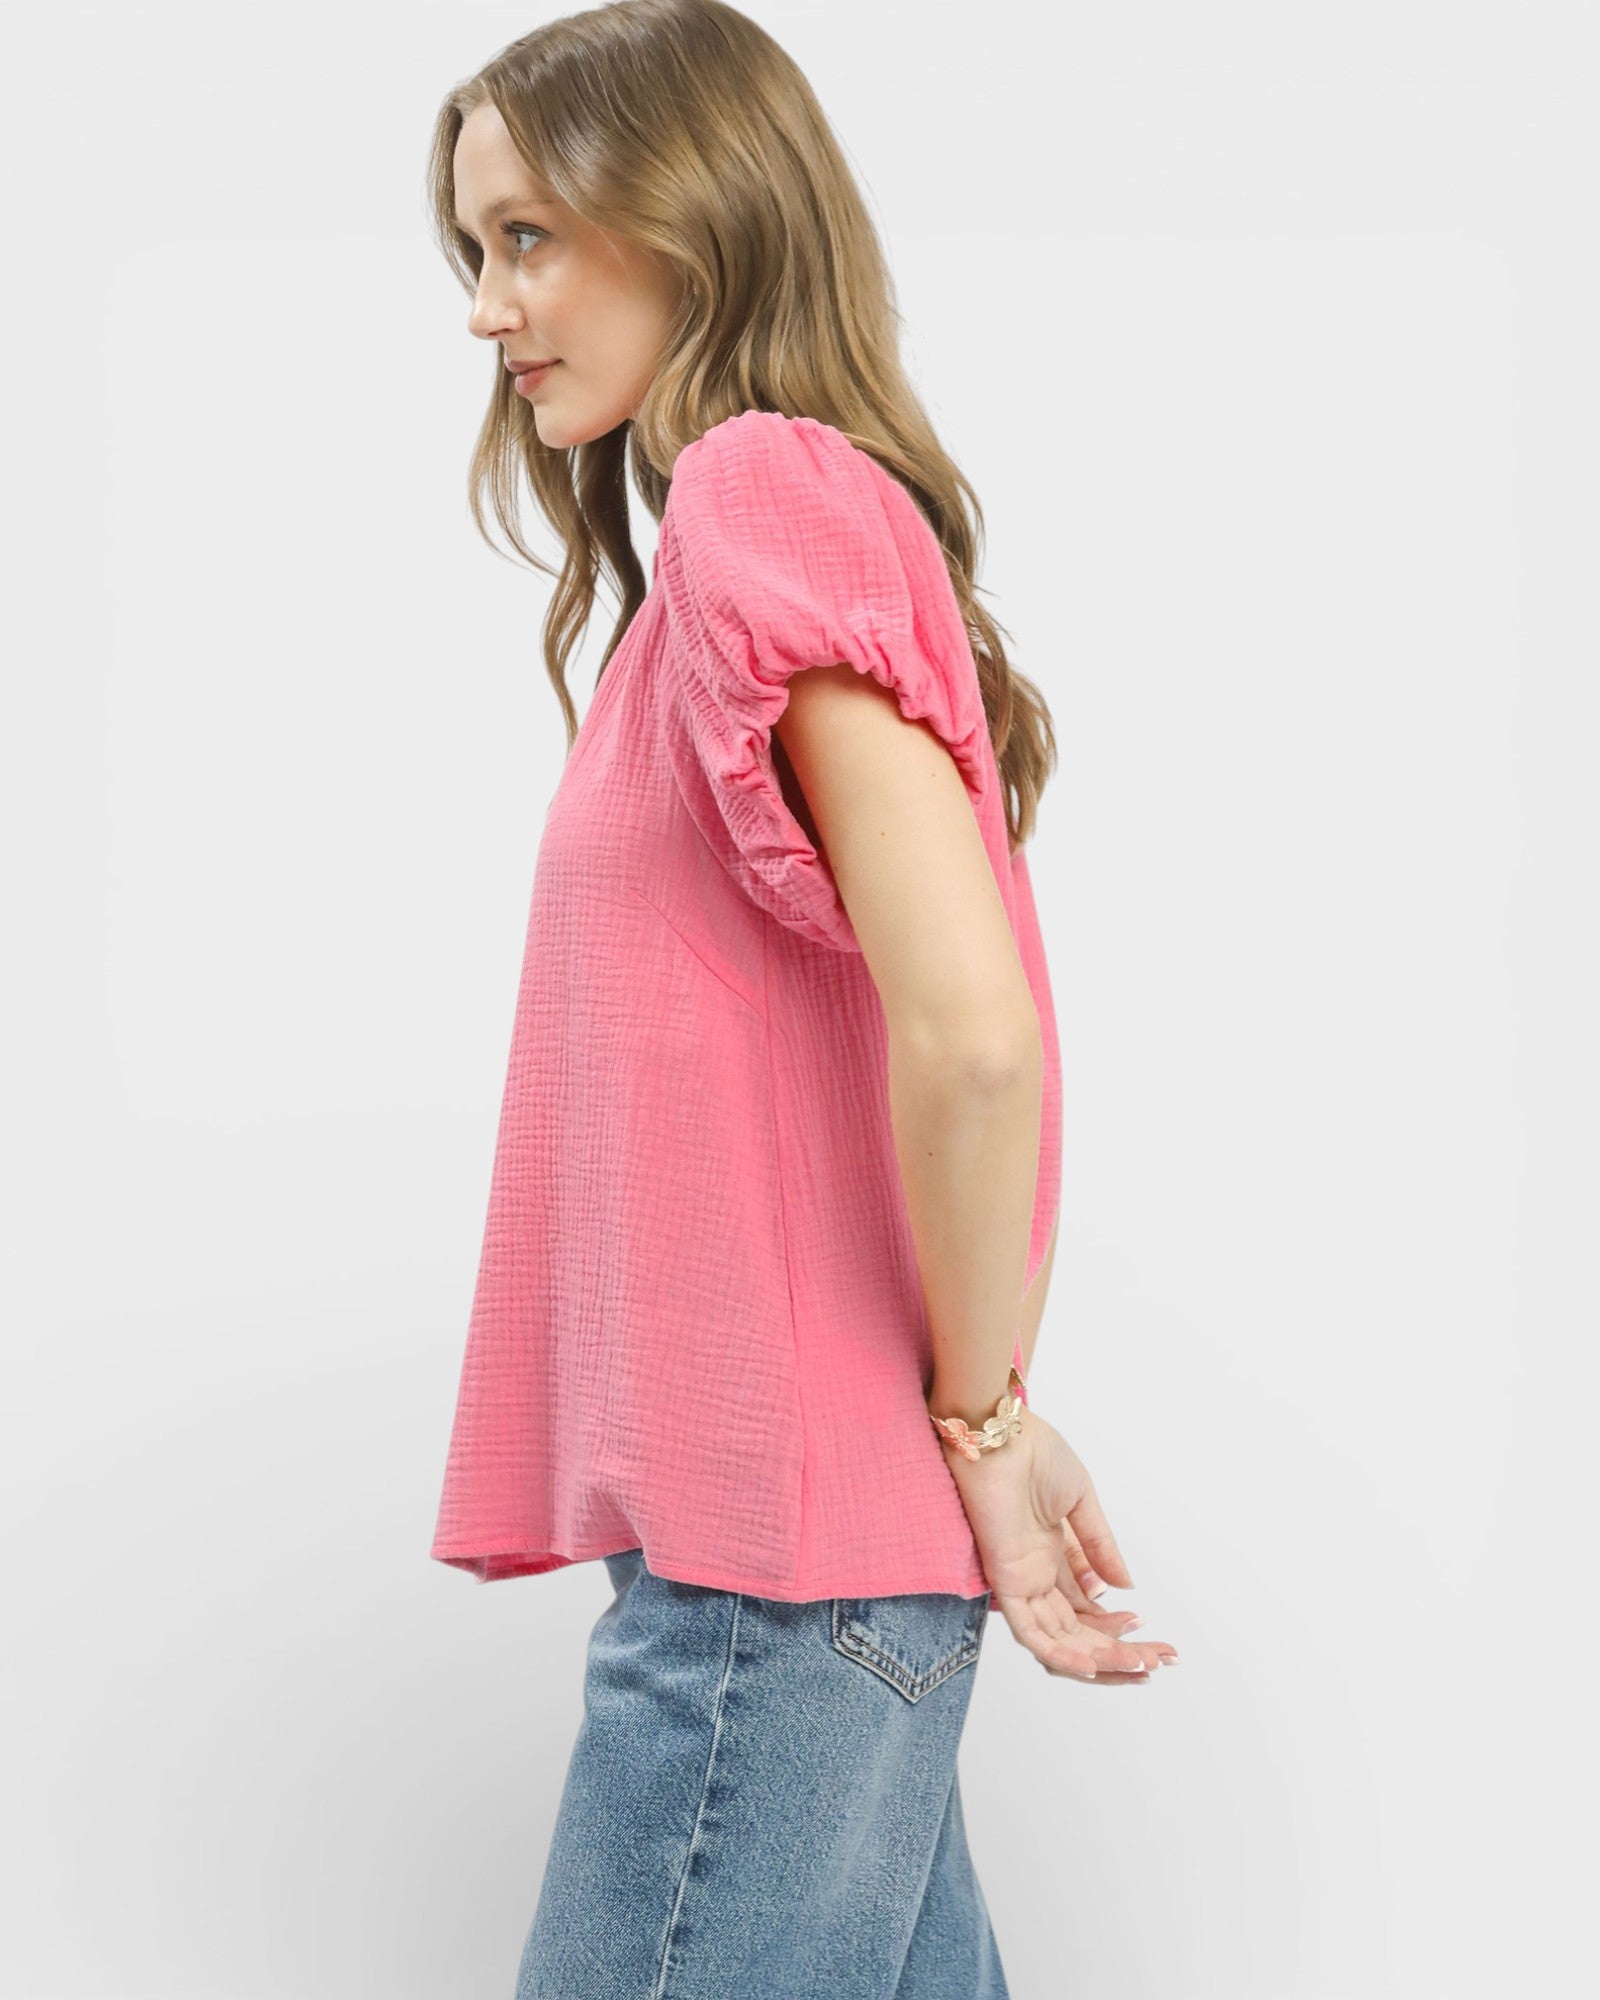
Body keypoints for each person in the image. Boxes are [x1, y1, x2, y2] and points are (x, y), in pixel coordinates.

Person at [426, 4, 1178, 1993]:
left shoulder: (762, 487)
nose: (489, 308)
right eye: (470, 253)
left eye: (526, 237)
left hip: (766, 1582)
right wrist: (970, 1409)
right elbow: (863, 1057)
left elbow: (972, 1025)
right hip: (809, 1563)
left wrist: (986, 1409)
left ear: (688, 213)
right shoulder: (750, 546)